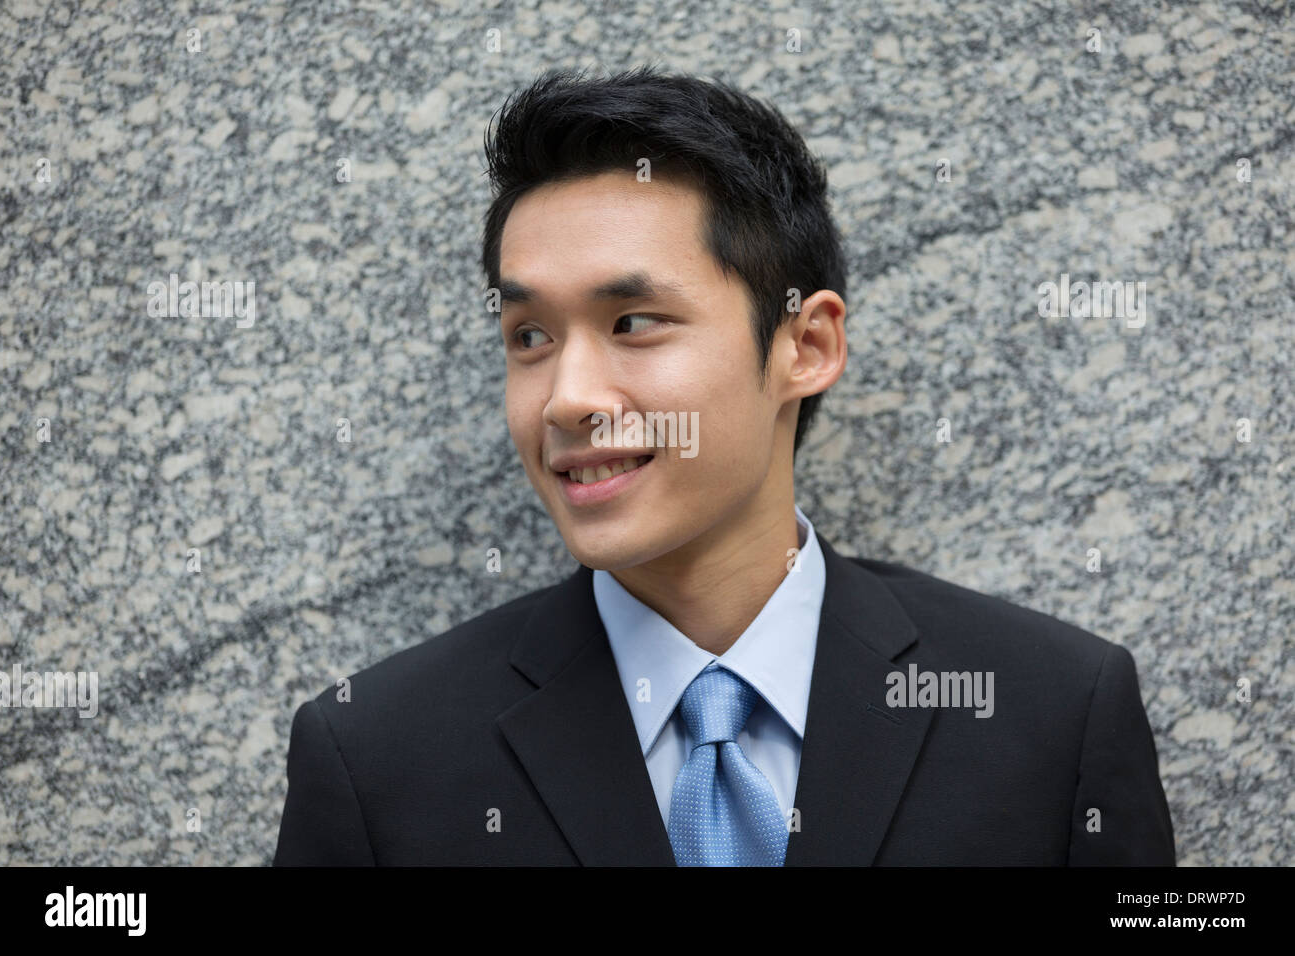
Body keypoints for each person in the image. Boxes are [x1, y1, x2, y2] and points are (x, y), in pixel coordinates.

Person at [273, 66, 1175, 866]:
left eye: (633, 322)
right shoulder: (377, 758)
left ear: (805, 345)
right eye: (529, 336)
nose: (565, 398)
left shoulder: (1051, 713)